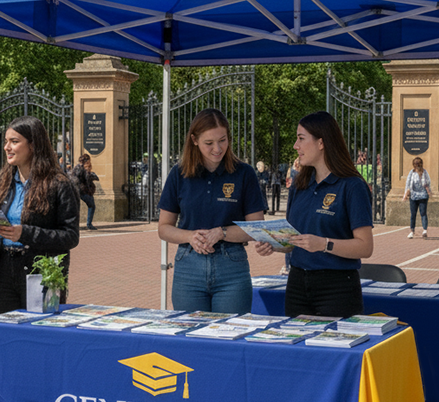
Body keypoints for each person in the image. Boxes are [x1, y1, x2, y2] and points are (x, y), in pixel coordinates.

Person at [255, 111, 373, 318]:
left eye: (301, 138)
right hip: (297, 284)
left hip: (337, 288)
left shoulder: (352, 186)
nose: (295, 146)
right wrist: (274, 245)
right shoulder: (299, 185)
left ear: (321, 142)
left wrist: (324, 244)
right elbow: (295, 241)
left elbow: (365, 247)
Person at [157, 108, 265, 314]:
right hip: (188, 268)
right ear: (194, 140)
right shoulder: (179, 174)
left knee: (230, 331)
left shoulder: (244, 173)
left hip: (231, 268)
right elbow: (164, 228)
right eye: (209, 143)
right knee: (190, 331)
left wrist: (222, 232)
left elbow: (257, 227)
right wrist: (190, 236)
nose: (218, 148)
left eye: (222, 140)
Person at [0, 116, 80, 314]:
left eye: (14, 142)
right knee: (6, 329)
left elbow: (70, 236)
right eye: (6, 141)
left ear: (33, 145)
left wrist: (25, 233)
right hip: (4, 272)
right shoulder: (3, 182)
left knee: (40, 330)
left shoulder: (59, 183)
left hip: (42, 273)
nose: (7, 147)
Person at [403, 156, 431, 239]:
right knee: (417, 214)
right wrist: (406, 194)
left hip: (420, 196)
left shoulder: (422, 172)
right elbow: (408, 184)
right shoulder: (414, 173)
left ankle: (420, 231)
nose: (417, 165)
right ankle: (416, 231)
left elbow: (408, 184)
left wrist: (405, 194)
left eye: (417, 163)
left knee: (419, 214)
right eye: (416, 163)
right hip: (416, 196)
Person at [72, 153, 100, 231]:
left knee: (76, 208)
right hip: (83, 191)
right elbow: (87, 179)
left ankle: (75, 224)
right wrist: (89, 172)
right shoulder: (83, 169)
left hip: (76, 190)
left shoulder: (76, 168)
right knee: (91, 206)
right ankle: (89, 224)